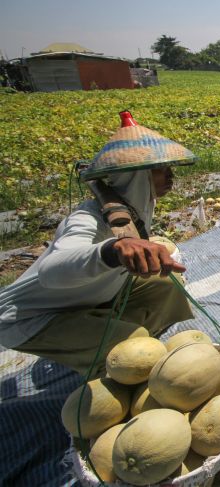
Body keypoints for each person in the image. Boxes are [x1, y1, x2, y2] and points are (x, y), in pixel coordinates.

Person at [0, 113, 195, 378]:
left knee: (167, 286)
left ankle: (109, 341)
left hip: (89, 294)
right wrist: (111, 250)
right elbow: (51, 270)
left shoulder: (138, 205)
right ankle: (117, 361)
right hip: (32, 317)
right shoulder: (86, 218)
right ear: (135, 176)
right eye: (160, 170)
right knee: (131, 348)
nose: (170, 176)